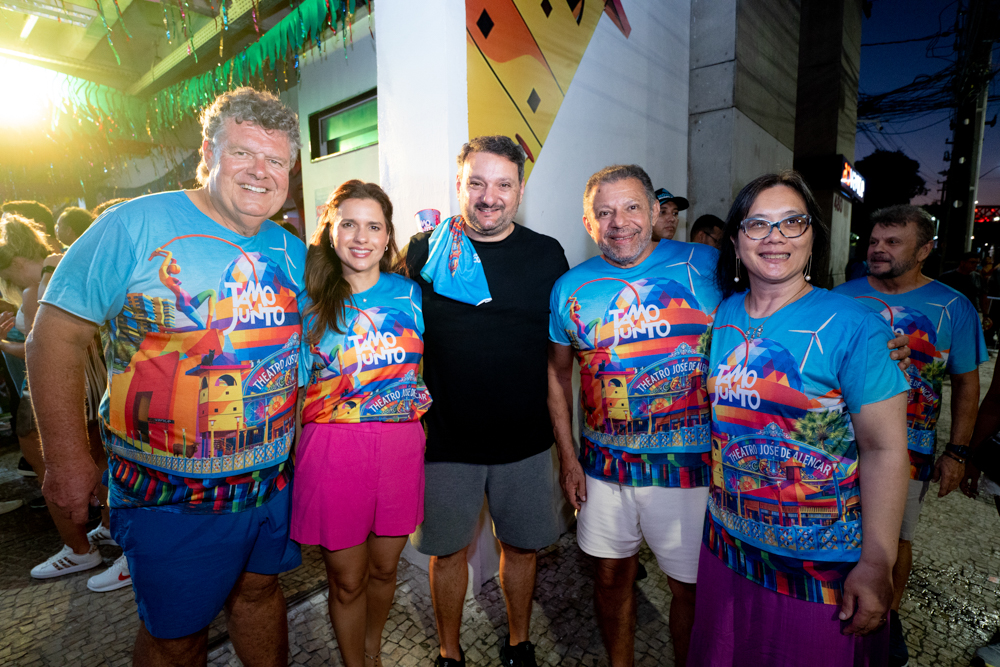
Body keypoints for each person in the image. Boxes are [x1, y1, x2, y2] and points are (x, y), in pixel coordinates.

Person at [28, 88, 305, 666]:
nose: (261, 172)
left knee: (260, 592)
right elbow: (54, 337)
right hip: (170, 494)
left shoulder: (291, 249)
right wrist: (67, 459)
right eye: (243, 154)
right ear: (208, 152)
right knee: (178, 633)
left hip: (269, 481)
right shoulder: (133, 224)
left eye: (276, 160)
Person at [689, 171, 910, 666]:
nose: (775, 238)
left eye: (792, 222)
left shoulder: (855, 327)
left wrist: (878, 561)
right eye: (758, 225)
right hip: (727, 546)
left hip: (819, 566)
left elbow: (885, 449)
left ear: (813, 235)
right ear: (736, 240)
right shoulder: (723, 313)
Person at [404, 135, 569, 667]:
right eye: (476, 182)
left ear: (520, 191)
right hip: (448, 438)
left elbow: (557, 356)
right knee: (447, 551)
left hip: (524, 439)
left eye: (503, 184)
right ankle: (449, 652)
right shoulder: (425, 251)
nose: (488, 196)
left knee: (521, 548)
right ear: (459, 185)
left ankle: (518, 641)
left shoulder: (546, 255)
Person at [548, 165, 722, 667]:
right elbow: (558, 376)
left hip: (690, 471)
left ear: (654, 212)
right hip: (605, 472)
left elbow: (777, 308)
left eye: (630, 208)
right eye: (604, 212)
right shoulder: (569, 289)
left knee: (688, 588)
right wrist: (568, 457)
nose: (618, 222)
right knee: (608, 578)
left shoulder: (707, 266)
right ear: (588, 222)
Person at [834, 205, 988, 667]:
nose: (877, 249)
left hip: (910, 448)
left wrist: (957, 451)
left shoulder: (953, 307)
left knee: (893, 538)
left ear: (924, 250)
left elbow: (965, 384)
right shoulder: (839, 299)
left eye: (892, 242)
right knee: (839, 529)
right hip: (836, 444)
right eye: (874, 240)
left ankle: (888, 615)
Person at [292, 179, 431, 667]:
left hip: (399, 447)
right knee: (347, 578)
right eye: (348, 223)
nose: (360, 236)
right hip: (332, 450)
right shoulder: (305, 300)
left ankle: (372, 652)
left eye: (373, 226)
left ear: (388, 234)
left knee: (384, 568)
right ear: (330, 230)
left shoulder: (412, 295)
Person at [0, 213, 110, 579]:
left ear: (15, 263)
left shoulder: (48, 275)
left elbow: (40, 344)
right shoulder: (65, 266)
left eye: (7, 278)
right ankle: (110, 530)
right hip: (92, 383)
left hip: (54, 385)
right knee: (100, 459)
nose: (10, 284)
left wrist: (3, 342)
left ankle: (78, 550)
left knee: (48, 469)